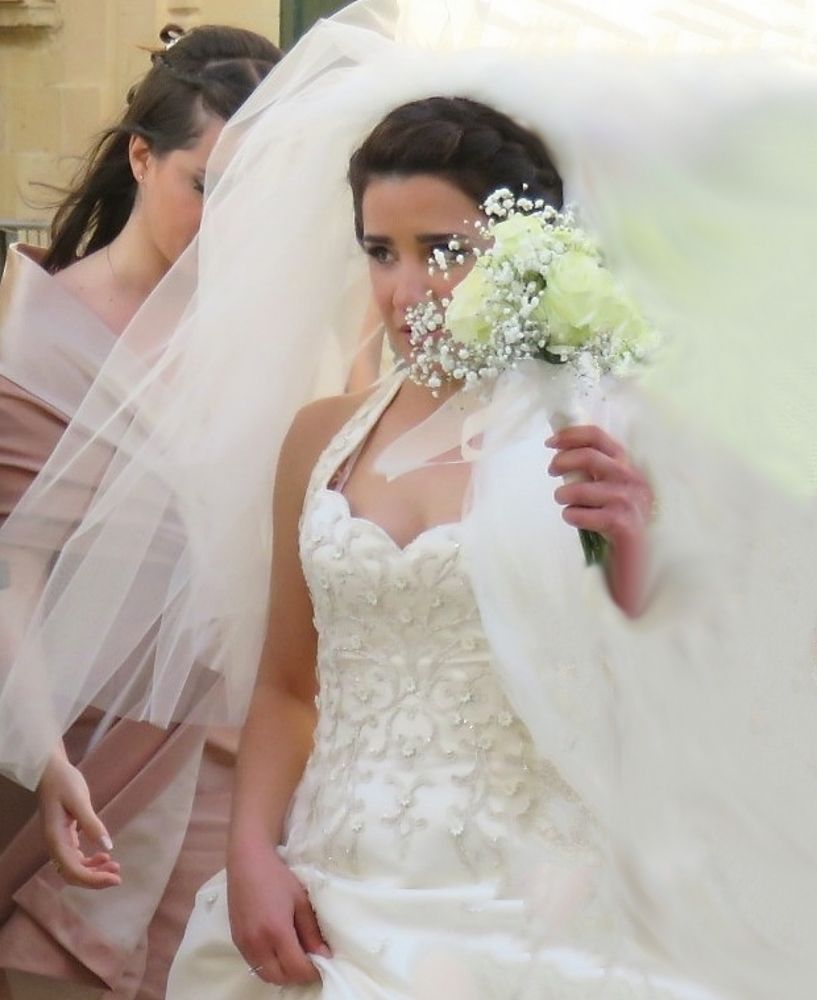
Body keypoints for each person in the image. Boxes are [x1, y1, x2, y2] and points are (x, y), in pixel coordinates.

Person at [163, 85, 713, 997]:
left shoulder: (599, 439)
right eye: (380, 252)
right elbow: (287, 683)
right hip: (337, 891)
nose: (405, 291)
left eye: (444, 253)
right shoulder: (320, 439)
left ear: (527, 257)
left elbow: (675, 682)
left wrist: (637, 552)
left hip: (536, 903)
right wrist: (252, 849)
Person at [0, 22, 280, 1000]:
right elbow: (12, 576)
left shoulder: (267, 342)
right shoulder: (29, 343)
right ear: (140, 156)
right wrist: (41, 757)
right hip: (78, 747)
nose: (226, 222)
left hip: (231, 756)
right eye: (204, 185)